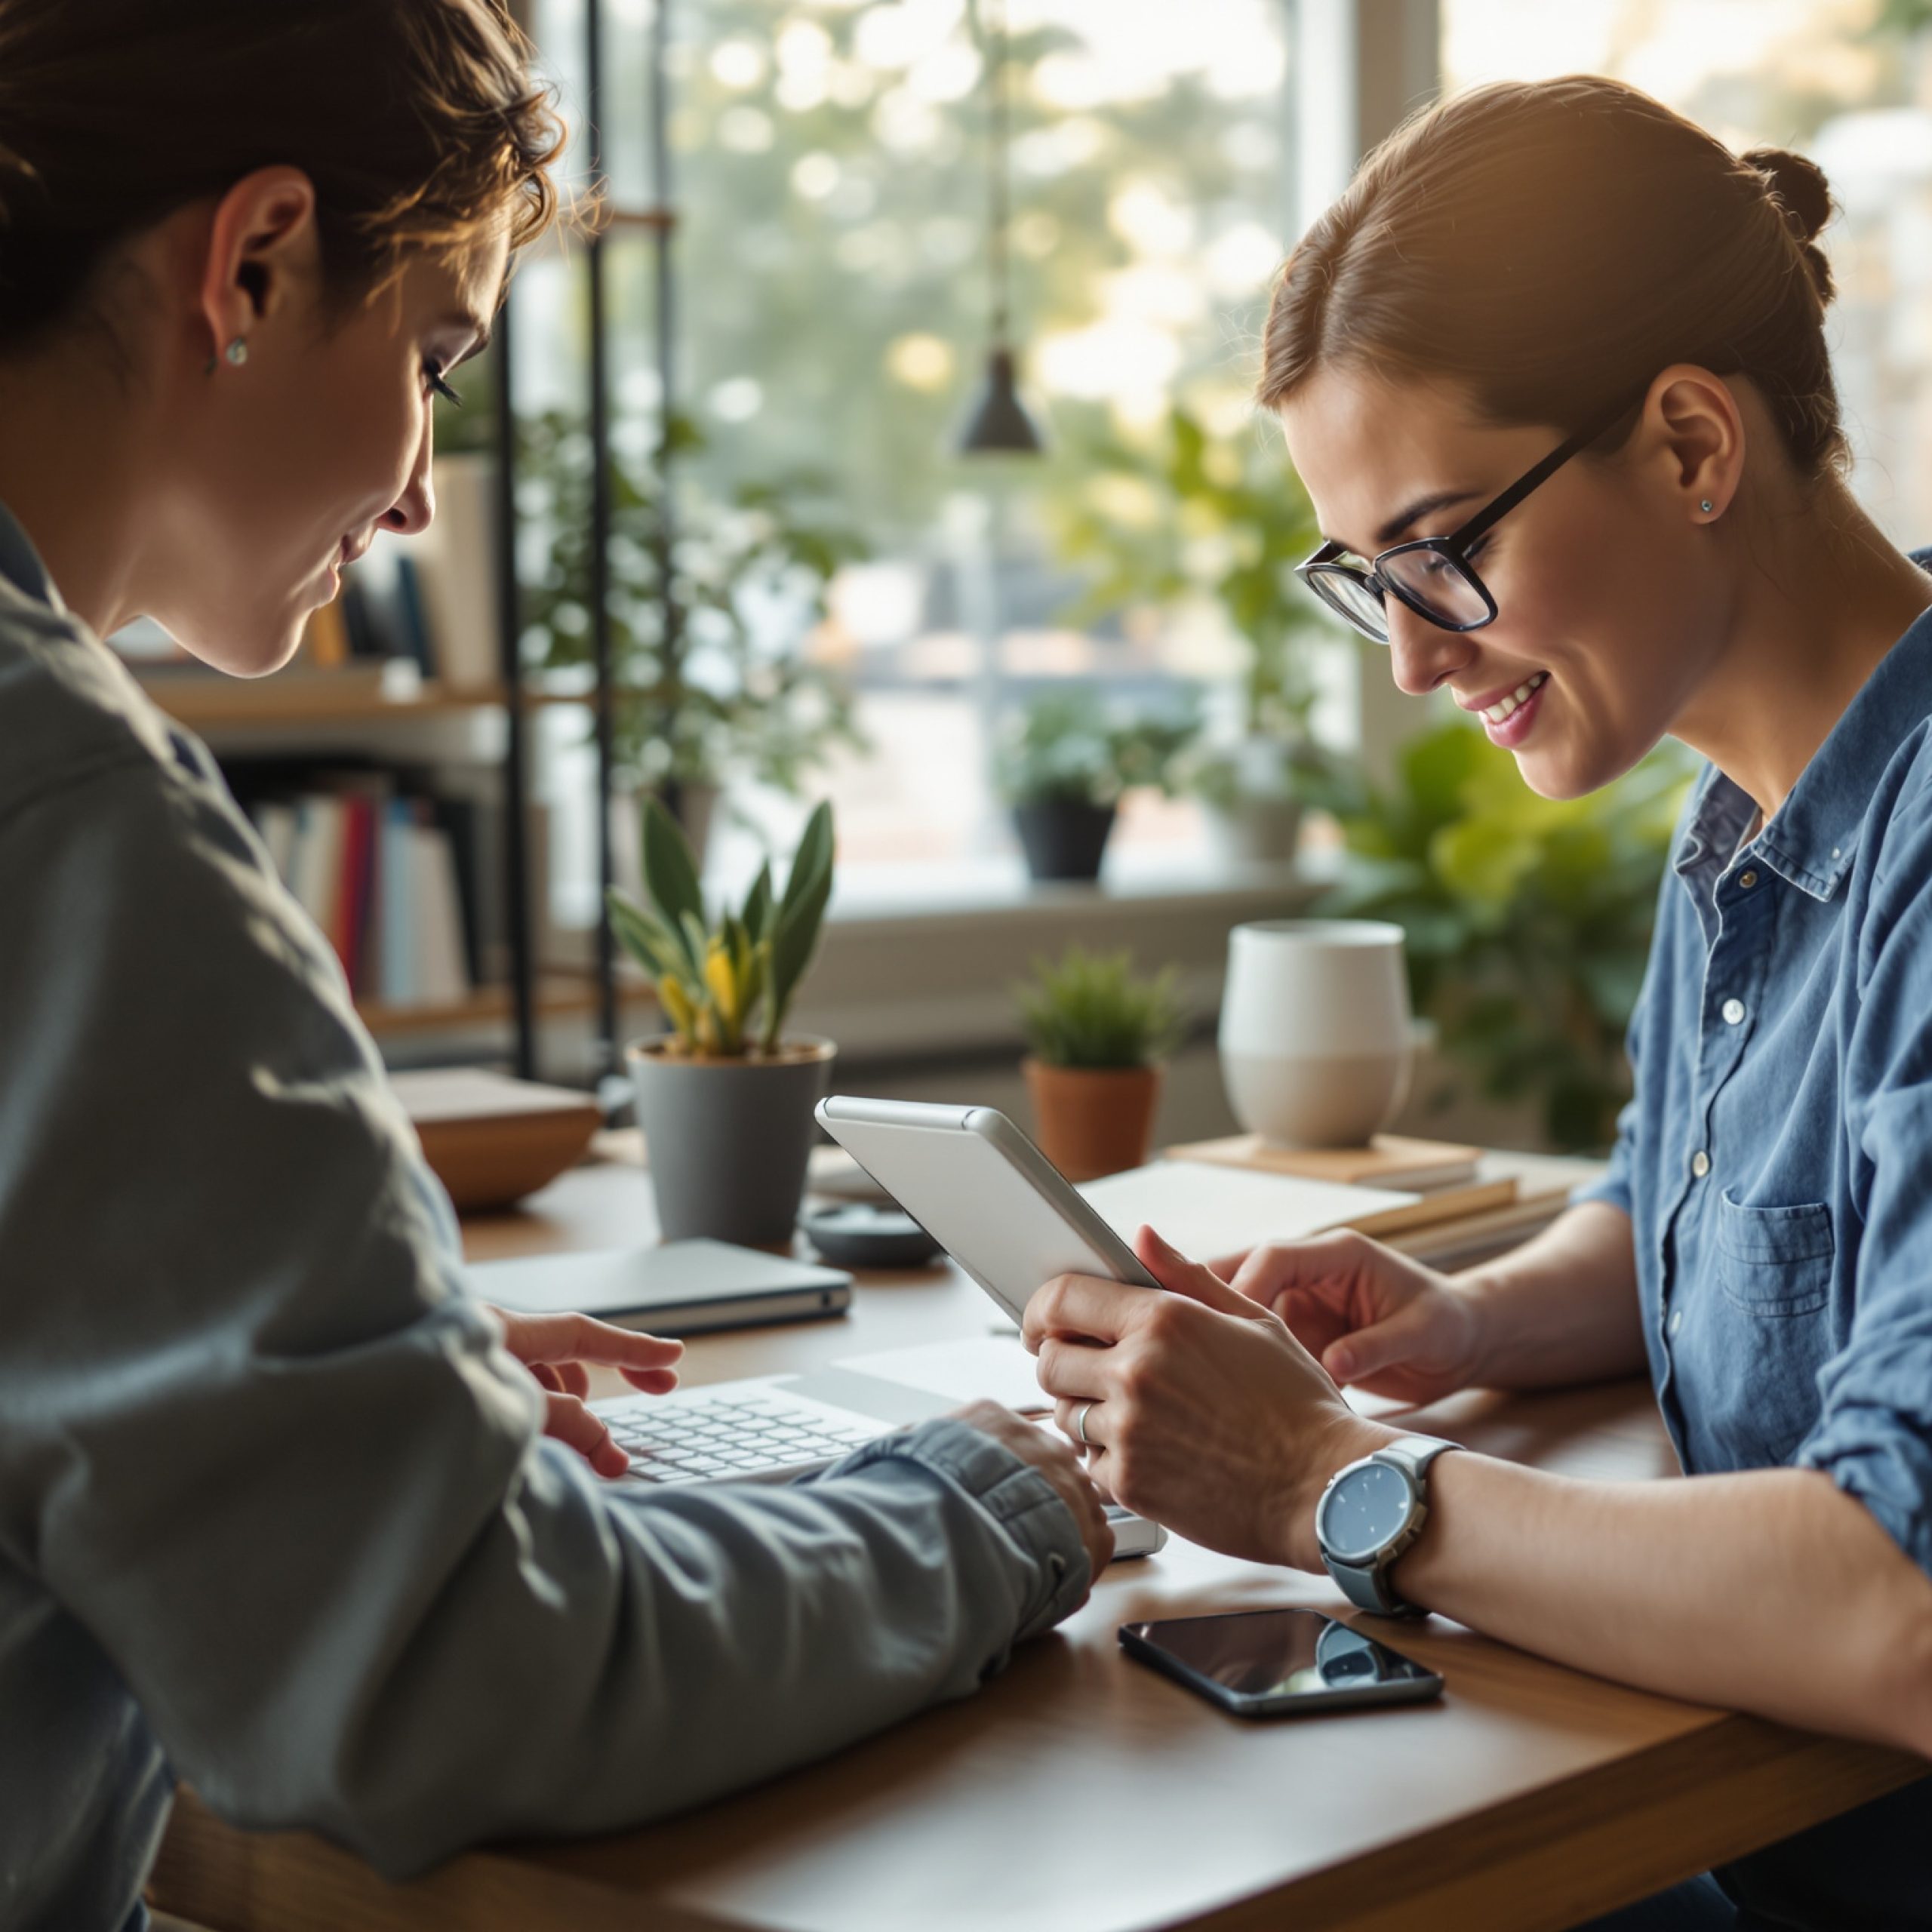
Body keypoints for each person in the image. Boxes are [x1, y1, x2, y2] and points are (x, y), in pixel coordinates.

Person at [0, 5, 1112, 1927]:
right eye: (436, 356)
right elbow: (465, 1681)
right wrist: (985, 1501)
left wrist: (318, 1404)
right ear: (253, 263)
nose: (427, 488)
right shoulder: (76, 828)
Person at [1028, 75, 1932, 1932]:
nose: (1420, 657)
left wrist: (1324, 1479)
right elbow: (1693, 1205)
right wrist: (1465, 1320)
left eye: (1443, 548)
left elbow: (1898, 1603)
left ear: (1689, 445)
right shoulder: (1741, 820)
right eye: (1370, 582)